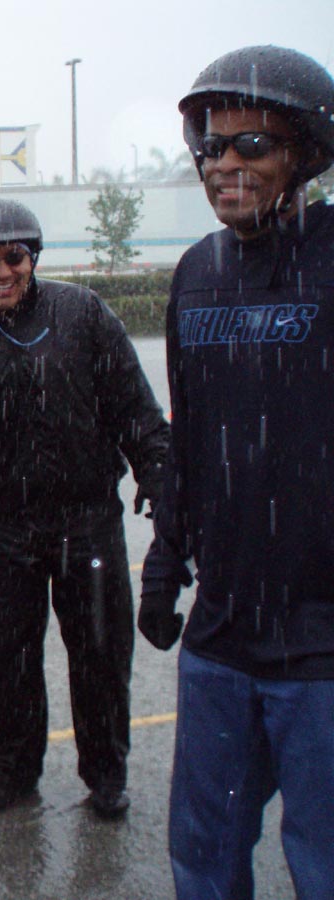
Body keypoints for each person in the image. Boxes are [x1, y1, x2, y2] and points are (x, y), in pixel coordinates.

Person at [139, 45, 334, 899]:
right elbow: (188, 437)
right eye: (212, 146)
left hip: (323, 644)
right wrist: (164, 560)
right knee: (204, 854)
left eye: (252, 145)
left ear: (306, 153)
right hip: (220, 636)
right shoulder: (197, 273)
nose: (225, 164)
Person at [0, 199, 170, 819]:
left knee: (100, 655)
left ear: (33, 257)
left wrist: (158, 472)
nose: (3, 272)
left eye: (15, 257)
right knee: (10, 661)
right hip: (2, 531)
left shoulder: (83, 313)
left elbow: (133, 406)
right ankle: (13, 769)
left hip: (87, 522)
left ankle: (106, 772)